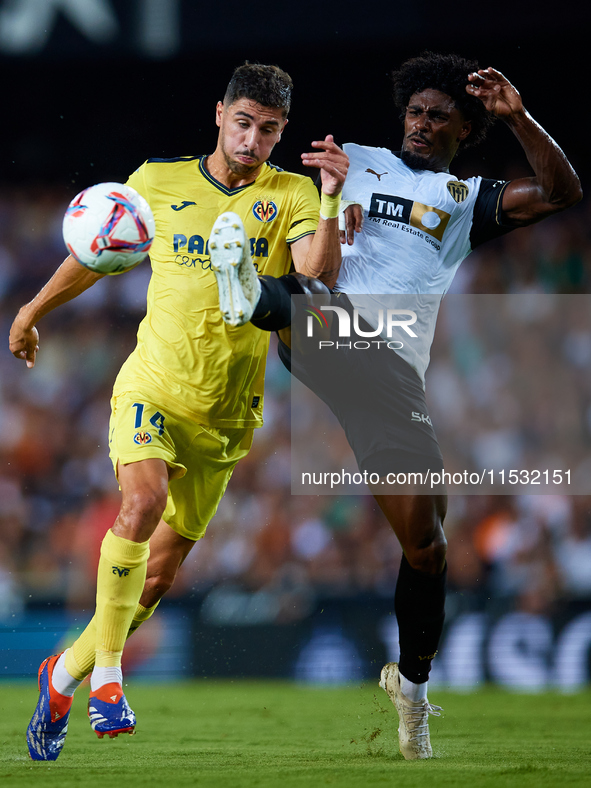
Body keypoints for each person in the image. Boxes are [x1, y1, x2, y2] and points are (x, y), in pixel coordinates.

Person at [215, 52, 582, 759]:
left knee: (426, 541)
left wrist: (517, 116)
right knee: (307, 295)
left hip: (390, 375)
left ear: (463, 128)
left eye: (438, 116)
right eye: (414, 111)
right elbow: (268, 184)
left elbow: (561, 191)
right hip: (324, 327)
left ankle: (411, 691)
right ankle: (249, 293)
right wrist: (314, 188)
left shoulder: (467, 197)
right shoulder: (353, 158)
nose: (420, 123)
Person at [10, 62, 349, 761]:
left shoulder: (290, 194)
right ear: (219, 114)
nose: (253, 139)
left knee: (157, 578)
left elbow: (316, 281)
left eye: (270, 129)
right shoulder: (156, 181)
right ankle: (107, 678)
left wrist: (332, 193)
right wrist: (34, 308)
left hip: (226, 416)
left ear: (281, 132)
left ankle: (63, 672)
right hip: (152, 387)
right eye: (244, 122)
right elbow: (96, 250)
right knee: (140, 501)